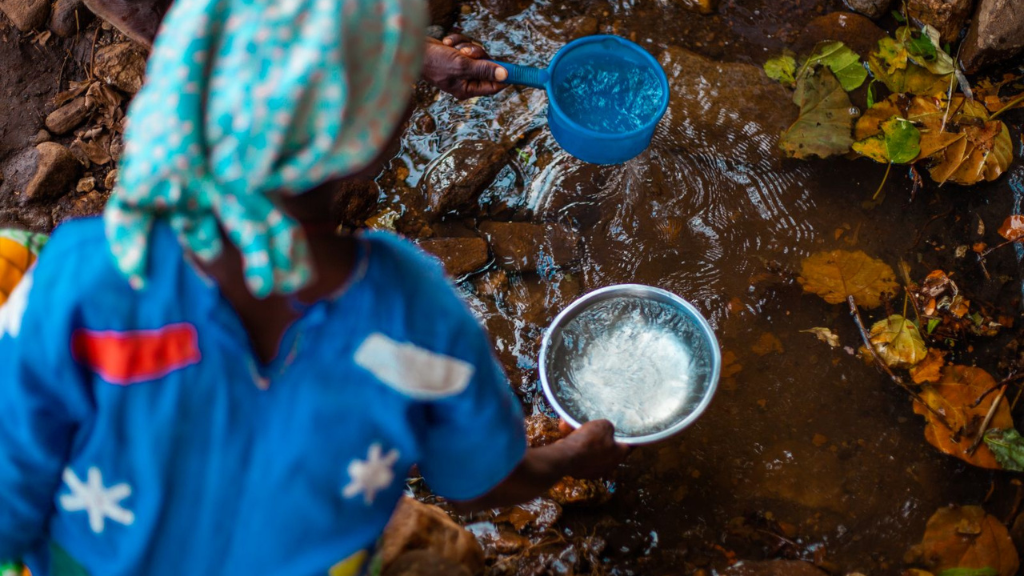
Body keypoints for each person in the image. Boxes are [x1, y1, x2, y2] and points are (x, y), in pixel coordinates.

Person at [0, 0, 629, 574]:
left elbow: (13, 495)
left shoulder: (89, 273)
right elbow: (483, 481)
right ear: (373, 138)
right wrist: (573, 457)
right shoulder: (415, 312)